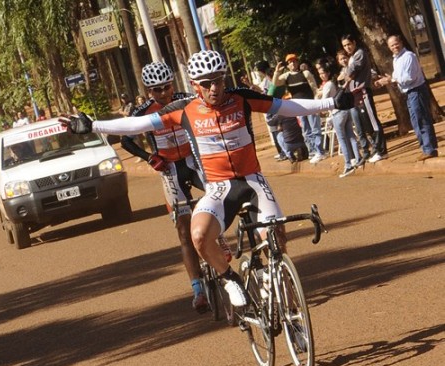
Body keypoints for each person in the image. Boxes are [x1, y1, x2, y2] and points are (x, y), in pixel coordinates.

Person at [66, 50, 354, 309]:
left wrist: (332, 102)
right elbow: (136, 124)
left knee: (275, 236)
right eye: (206, 83)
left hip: (253, 181)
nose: (214, 88)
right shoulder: (183, 110)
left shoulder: (241, 97)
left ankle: (289, 304)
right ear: (194, 86)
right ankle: (229, 279)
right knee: (198, 236)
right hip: (218, 187)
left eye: (218, 80)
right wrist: (93, 125)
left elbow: (285, 106)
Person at [120, 62, 207, 312]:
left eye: (167, 87)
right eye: (157, 90)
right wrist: (148, 157)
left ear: (173, 84)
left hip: (193, 161)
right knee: (183, 231)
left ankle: (218, 241)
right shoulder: (143, 112)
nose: (163, 93)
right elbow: (125, 140)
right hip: (169, 168)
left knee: (218, 198)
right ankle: (198, 289)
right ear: (149, 91)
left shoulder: (186, 99)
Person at [374, 35, 439, 161]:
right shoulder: (396, 59)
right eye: (392, 45)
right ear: (389, 47)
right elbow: (397, 76)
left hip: (416, 90)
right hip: (409, 93)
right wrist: (386, 79)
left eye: (396, 43)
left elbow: (410, 78)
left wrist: (392, 79)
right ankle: (425, 149)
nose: (395, 47)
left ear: (401, 42)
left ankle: (430, 149)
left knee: (422, 119)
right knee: (415, 122)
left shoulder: (409, 56)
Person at [342, 33, 388, 163]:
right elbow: (348, 72)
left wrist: (347, 74)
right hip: (356, 94)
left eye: (349, 44)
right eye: (345, 46)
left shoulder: (359, 53)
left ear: (354, 43)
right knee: (367, 124)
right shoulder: (351, 57)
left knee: (373, 122)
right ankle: (376, 148)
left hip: (363, 92)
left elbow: (351, 71)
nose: (347, 47)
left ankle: (381, 151)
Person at [273, 53, 327, 163]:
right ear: (288, 65)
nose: (292, 63)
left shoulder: (305, 73)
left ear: (297, 62)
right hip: (298, 107)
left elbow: (314, 89)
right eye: (290, 62)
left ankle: (320, 151)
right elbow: (276, 83)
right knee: (306, 130)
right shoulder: (287, 76)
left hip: (310, 104)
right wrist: (277, 71)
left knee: (315, 129)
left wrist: (317, 102)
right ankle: (312, 151)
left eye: (294, 61)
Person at [317, 62, 361, 177]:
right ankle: (358, 158)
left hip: (337, 113)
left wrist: (318, 96)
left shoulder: (328, 85)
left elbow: (324, 100)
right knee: (350, 135)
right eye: (320, 73)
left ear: (328, 73)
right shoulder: (336, 82)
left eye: (323, 73)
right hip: (346, 110)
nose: (321, 75)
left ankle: (348, 165)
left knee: (342, 140)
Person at [336, 49, 370, 165]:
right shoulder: (341, 74)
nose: (343, 60)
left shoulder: (353, 66)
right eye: (341, 59)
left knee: (367, 123)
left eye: (344, 57)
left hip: (359, 97)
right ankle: (365, 151)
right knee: (359, 128)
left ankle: (374, 147)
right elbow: (341, 85)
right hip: (350, 103)